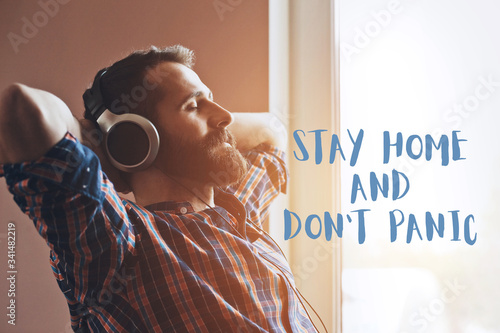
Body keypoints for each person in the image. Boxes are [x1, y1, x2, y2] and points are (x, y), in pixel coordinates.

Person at [0, 45, 318, 332]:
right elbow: (21, 110)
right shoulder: (119, 243)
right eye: (194, 105)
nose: (225, 116)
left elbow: (271, 133)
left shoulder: (237, 211)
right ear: (135, 137)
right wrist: (108, 139)